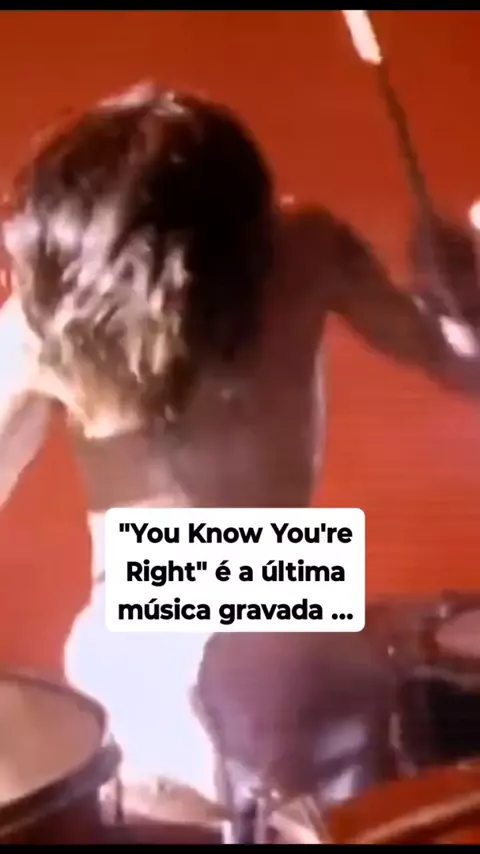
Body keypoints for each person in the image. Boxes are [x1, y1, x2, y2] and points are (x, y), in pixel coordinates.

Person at [1, 82, 480, 813]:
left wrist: (465, 299)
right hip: (157, 620)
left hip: (278, 593)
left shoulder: (303, 249)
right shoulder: (56, 316)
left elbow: (461, 365)